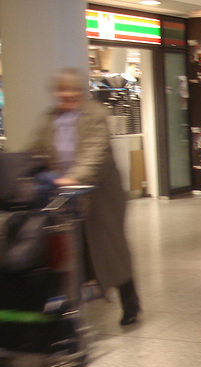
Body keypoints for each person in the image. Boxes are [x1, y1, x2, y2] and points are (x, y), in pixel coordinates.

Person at [30, 68, 140, 326]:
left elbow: (95, 151)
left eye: (72, 89)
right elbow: (37, 150)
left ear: (81, 91)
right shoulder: (50, 118)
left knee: (111, 249)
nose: (66, 95)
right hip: (67, 196)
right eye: (62, 90)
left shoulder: (95, 115)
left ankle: (130, 301)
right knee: (72, 249)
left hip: (101, 196)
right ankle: (71, 306)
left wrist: (75, 177)